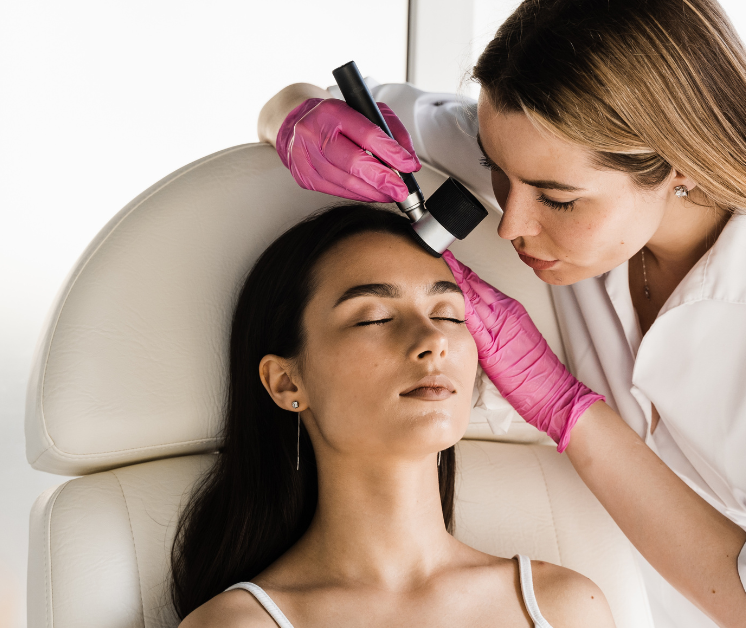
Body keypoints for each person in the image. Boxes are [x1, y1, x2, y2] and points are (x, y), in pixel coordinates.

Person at [260, 1, 746, 626]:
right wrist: (295, 118)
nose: (511, 223)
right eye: (495, 173)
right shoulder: (535, 146)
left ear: (683, 163)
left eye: (558, 200)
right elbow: (324, 103)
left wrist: (562, 404)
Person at [172, 204, 615, 627]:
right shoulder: (237, 625)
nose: (433, 339)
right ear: (287, 382)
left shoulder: (565, 608)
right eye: (375, 318)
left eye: (448, 315)